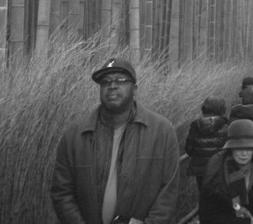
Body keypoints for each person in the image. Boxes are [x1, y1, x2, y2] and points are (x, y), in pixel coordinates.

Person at [51, 57, 179, 224]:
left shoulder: (162, 131)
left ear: (135, 88)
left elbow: (168, 193)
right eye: (106, 82)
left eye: (121, 80)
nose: (112, 86)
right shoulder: (76, 133)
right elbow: (62, 192)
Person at [200, 119, 253, 223]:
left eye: (249, 148)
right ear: (230, 149)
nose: (244, 153)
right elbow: (207, 216)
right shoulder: (214, 172)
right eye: (239, 148)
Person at [184, 95, 230, 192]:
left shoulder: (195, 126)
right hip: (220, 170)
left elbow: (189, 150)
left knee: (204, 197)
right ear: (222, 109)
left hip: (201, 171)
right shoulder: (227, 126)